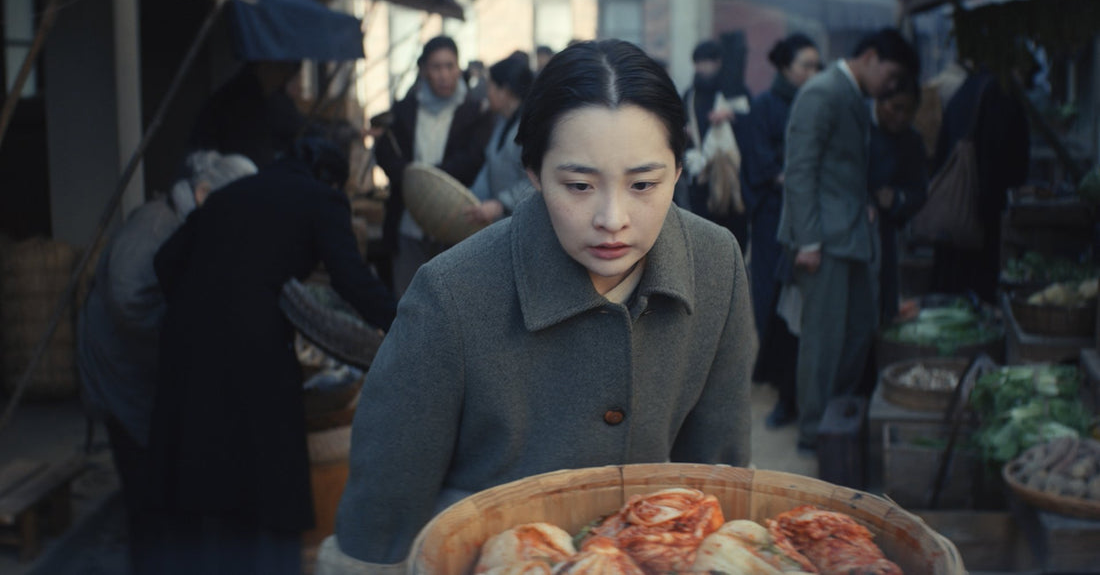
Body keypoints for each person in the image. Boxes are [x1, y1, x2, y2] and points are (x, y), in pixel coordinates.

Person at [318, 39, 757, 572]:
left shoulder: (715, 262)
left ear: (679, 170)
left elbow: (717, 476)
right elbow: (384, 509)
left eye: (643, 183)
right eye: (579, 185)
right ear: (533, 173)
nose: (612, 218)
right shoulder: (452, 292)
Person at [145, 135, 398, 575]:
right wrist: (406, 323)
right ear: (330, 179)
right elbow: (351, 279)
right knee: (267, 468)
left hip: (184, 341)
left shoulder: (230, 194)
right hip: (251, 344)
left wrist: (202, 309)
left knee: (202, 464)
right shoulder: (322, 199)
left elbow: (166, 261)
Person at [76, 151, 257, 573]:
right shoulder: (155, 224)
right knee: (145, 492)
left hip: (144, 372)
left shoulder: (187, 222)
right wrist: (189, 337)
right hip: (121, 372)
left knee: (165, 487)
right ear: (204, 193)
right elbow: (128, 302)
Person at [777, 28, 918, 452]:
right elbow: (800, 169)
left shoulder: (851, 93)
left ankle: (835, 419)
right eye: (890, 75)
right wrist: (807, 241)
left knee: (860, 329)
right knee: (823, 339)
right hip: (823, 240)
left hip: (852, 234)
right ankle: (814, 431)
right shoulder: (823, 91)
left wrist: (864, 203)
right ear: (871, 57)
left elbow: (843, 169)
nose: (890, 87)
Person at [740, 33, 820, 428]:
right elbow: (757, 161)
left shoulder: (818, 103)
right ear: (786, 67)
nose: (812, 72)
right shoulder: (765, 106)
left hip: (810, 217)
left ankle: (797, 386)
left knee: (801, 302)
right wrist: (787, 175)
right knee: (771, 297)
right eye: (806, 65)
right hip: (773, 217)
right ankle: (777, 383)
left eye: (816, 66)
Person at [374, 35, 494, 297]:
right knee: (408, 301)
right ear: (424, 70)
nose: (444, 75)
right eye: (436, 67)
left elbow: (472, 159)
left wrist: (431, 178)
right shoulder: (405, 110)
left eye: (449, 66)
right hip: (408, 225)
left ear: (458, 68)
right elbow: (385, 152)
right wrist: (410, 178)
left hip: (455, 225)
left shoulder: (475, 112)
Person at [929, 66, 1030, 303]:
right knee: (977, 294)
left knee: (953, 292)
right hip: (980, 215)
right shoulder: (1000, 93)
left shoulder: (966, 90)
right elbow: (1010, 162)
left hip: (955, 211)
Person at [681, 39, 751, 252]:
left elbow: (753, 124)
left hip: (732, 173)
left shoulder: (735, 90)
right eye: (699, 62)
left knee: (734, 232)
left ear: (718, 62)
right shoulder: (690, 95)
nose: (703, 67)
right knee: (703, 234)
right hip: (702, 172)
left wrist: (731, 116)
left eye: (707, 62)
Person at [869, 76, 929, 323]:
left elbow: (919, 193)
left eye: (909, 111)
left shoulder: (912, 141)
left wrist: (896, 199)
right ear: (879, 102)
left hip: (888, 236)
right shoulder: (860, 133)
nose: (901, 117)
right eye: (896, 108)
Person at [189, 61, 306, 167]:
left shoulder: (271, 98)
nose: (284, 77)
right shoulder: (242, 99)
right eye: (282, 69)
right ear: (265, 66)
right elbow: (255, 154)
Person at [464, 52, 536, 225]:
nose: (487, 93)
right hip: (502, 222)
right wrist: (472, 199)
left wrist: (501, 204)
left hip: (524, 222)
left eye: (490, 86)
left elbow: (537, 181)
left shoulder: (531, 128)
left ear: (505, 91)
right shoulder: (502, 121)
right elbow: (489, 167)